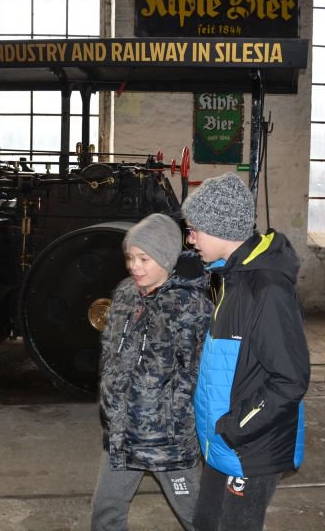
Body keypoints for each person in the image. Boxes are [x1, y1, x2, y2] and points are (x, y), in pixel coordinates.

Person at [180, 173, 310, 531]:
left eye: (194, 230)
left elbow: (290, 380)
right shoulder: (232, 280)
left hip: (250, 448)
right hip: (223, 443)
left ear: (220, 228)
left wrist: (235, 427)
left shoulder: (266, 289)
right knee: (206, 522)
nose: (190, 240)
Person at [91, 213, 213, 531]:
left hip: (167, 441)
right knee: (105, 513)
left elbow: (200, 375)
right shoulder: (125, 294)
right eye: (130, 257)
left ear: (166, 257)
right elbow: (111, 355)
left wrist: (177, 417)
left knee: (197, 517)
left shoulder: (190, 307)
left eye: (144, 258)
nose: (135, 266)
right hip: (121, 433)